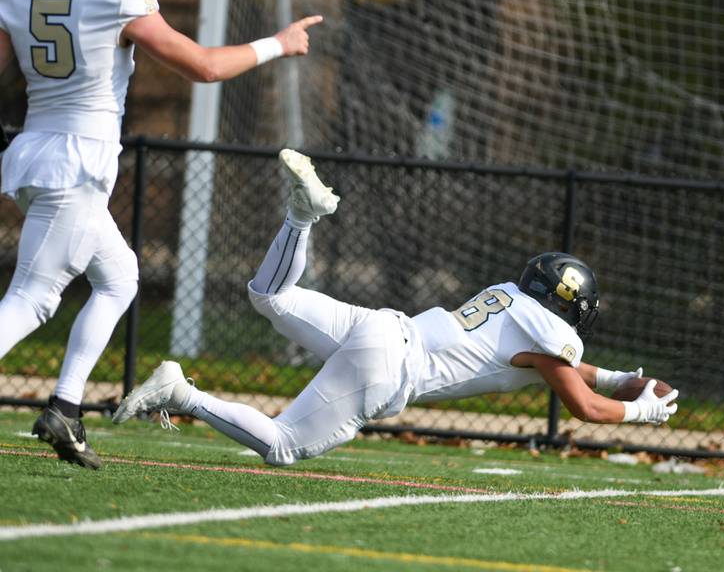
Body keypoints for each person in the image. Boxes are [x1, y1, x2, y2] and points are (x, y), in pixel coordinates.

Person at [113, 149, 680, 466]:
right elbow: (580, 406)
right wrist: (643, 413)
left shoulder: (514, 301)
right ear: (571, 305)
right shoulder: (550, 336)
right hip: (389, 368)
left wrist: (621, 378)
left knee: (271, 295)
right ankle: (180, 392)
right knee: (284, 446)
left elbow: (560, 370)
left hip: (383, 326)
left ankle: (301, 218)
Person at [0, 0, 323, 469]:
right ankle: (61, 408)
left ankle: (65, 407)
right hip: (78, 164)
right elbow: (204, 66)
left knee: (120, 276)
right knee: (32, 298)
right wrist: (279, 44)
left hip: (35, 154)